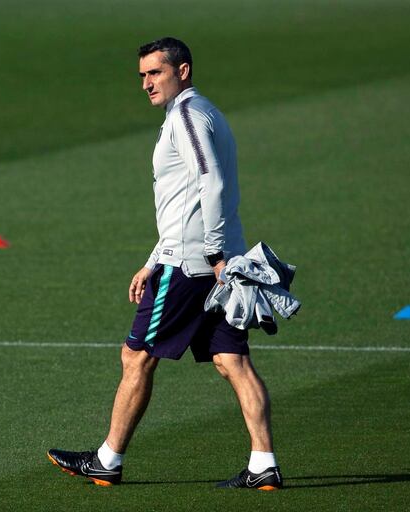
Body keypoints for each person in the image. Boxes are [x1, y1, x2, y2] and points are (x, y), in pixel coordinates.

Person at [47, 37, 283, 491]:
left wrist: (211, 253)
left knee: (136, 356)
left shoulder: (187, 117)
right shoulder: (206, 112)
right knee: (232, 360)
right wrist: (155, 259)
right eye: (142, 75)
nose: (146, 83)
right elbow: (186, 201)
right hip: (206, 259)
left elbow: (209, 181)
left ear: (184, 70)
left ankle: (107, 460)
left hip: (194, 265)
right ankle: (263, 463)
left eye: (155, 73)